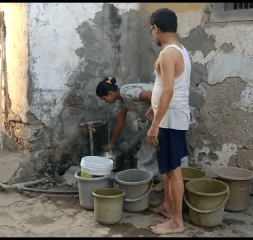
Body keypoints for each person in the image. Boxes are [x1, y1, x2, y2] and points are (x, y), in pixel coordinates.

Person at [147, 8, 191, 235]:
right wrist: (152, 109)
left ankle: (176, 222)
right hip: (171, 117)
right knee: (167, 167)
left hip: (170, 120)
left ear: (157, 28)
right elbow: (165, 87)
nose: (152, 34)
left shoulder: (167, 54)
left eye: (152, 30)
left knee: (174, 171)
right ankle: (167, 206)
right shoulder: (180, 50)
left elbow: (168, 91)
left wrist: (155, 124)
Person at [95, 77, 165, 191]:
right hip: (154, 119)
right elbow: (120, 123)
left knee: (163, 148)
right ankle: (149, 178)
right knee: (148, 148)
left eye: (104, 99)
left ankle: (163, 181)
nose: (105, 102)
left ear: (110, 94)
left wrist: (153, 108)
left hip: (163, 114)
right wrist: (111, 143)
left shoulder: (126, 92)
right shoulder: (122, 102)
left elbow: (148, 95)